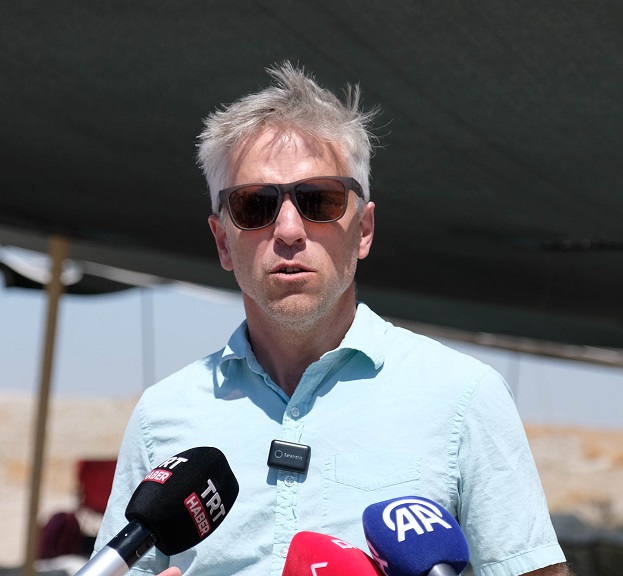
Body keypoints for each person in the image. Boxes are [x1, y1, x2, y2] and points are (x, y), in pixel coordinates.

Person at [93, 62, 571, 576]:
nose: (289, 230)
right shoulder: (161, 416)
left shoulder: (464, 397)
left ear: (363, 230)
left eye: (319, 199)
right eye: (254, 205)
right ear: (222, 242)